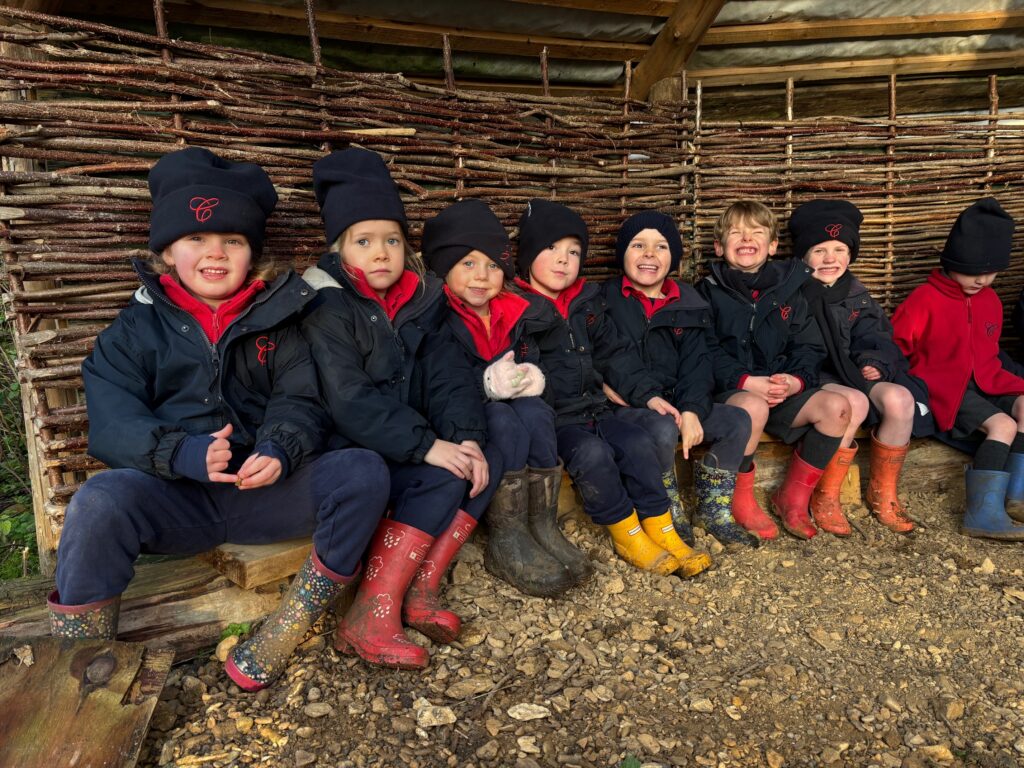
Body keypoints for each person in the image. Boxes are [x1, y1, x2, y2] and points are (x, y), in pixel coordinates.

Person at [48, 147, 389, 694]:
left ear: (252, 253)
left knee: (363, 472)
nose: (216, 252)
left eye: (232, 240)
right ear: (166, 252)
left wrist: (279, 449)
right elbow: (113, 419)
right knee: (99, 500)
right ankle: (74, 666)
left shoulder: (284, 321)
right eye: (196, 240)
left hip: (266, 496)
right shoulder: (135, 331)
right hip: (174, 498)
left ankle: (288, 625)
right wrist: (179, 452)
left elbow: (302, 399)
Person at [301, 148, 490, 669]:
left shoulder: (422, 299)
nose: (381, 253)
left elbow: (449, 372)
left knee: (467, 466)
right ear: (339, 250)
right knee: (434, 470)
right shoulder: (324, 305)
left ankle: (398, 596)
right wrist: (427, 445)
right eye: (364, 242)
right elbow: (346, 397)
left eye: (392, 240)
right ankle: (369, 614)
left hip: (403, 441)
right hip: (345, 452)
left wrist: (464, 435)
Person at [515, 198, 711, 577]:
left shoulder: (586, 303)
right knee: (592, 455)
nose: (563, 260)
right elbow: (526, 371)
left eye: (573, 252)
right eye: (551, 249)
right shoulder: (520, 309)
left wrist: (648, 395)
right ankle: (627, 531)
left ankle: (663, 528)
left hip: (596, 409)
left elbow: (615, 354)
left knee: (637, 442)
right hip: (560, 421)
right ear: (527, 256)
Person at [421, 199, 590, 596]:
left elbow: (531, 354)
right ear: (444, 267)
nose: (482, 276)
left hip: (516, 407)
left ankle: (541, 523)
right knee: (504, 421)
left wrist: (532, 374)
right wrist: (486, 387)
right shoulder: (436, 316)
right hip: (463, 417)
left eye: (493, 266)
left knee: (535, 413)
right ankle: (507, 536)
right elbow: (440, 379)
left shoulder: (514, 311)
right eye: (468, 263)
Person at [697, 200, 851, 541]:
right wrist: (745, 381)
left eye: (756, 232)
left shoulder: (790, 291)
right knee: (751, 407)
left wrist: (795, 382)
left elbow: (809, 346)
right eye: (735, 232)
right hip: (730, 393)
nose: (746, 238)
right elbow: (703, 350)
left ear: (773, 245)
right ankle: (741, 497)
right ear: (719, 247)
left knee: (836, 407)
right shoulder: (706, 292)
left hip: (779, 392)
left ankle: (793, 498)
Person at [601, 211, 756, 546]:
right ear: (622, 254)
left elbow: (698, 365)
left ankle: (713, 510)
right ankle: (664, 509)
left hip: (677, 400)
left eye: (660, 247)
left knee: (737, 421)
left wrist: (691, 410)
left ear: (673, 257)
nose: (649, 255)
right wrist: (651, 398)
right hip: (630, 403)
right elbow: (613, 357)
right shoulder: (604, 301)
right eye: (638, 245)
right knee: (661, 426)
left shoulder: (690, 303)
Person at [792, 199, 933, 535]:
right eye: (820, 250)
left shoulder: (857, 295)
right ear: (803, 255)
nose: (830, 258)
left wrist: (874, 362)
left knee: (900, 399)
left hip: (855, 371)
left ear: (851, 254)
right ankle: (827, 496)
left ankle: (884, 494)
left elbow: (877, 337)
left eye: (839, 249)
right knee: (851, 405)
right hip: (819, 377)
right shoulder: (793, 294)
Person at [892, 197, 1024, 540]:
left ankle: (1015, 498)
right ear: (951, 262)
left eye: (991, 272)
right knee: (1003, 425)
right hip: (945, 386)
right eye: (972, 270)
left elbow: (990, 353)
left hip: (987, 381)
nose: (982, 279)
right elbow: (897, 347)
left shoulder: (990, 300)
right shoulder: (924, 299)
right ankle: (982, 513)